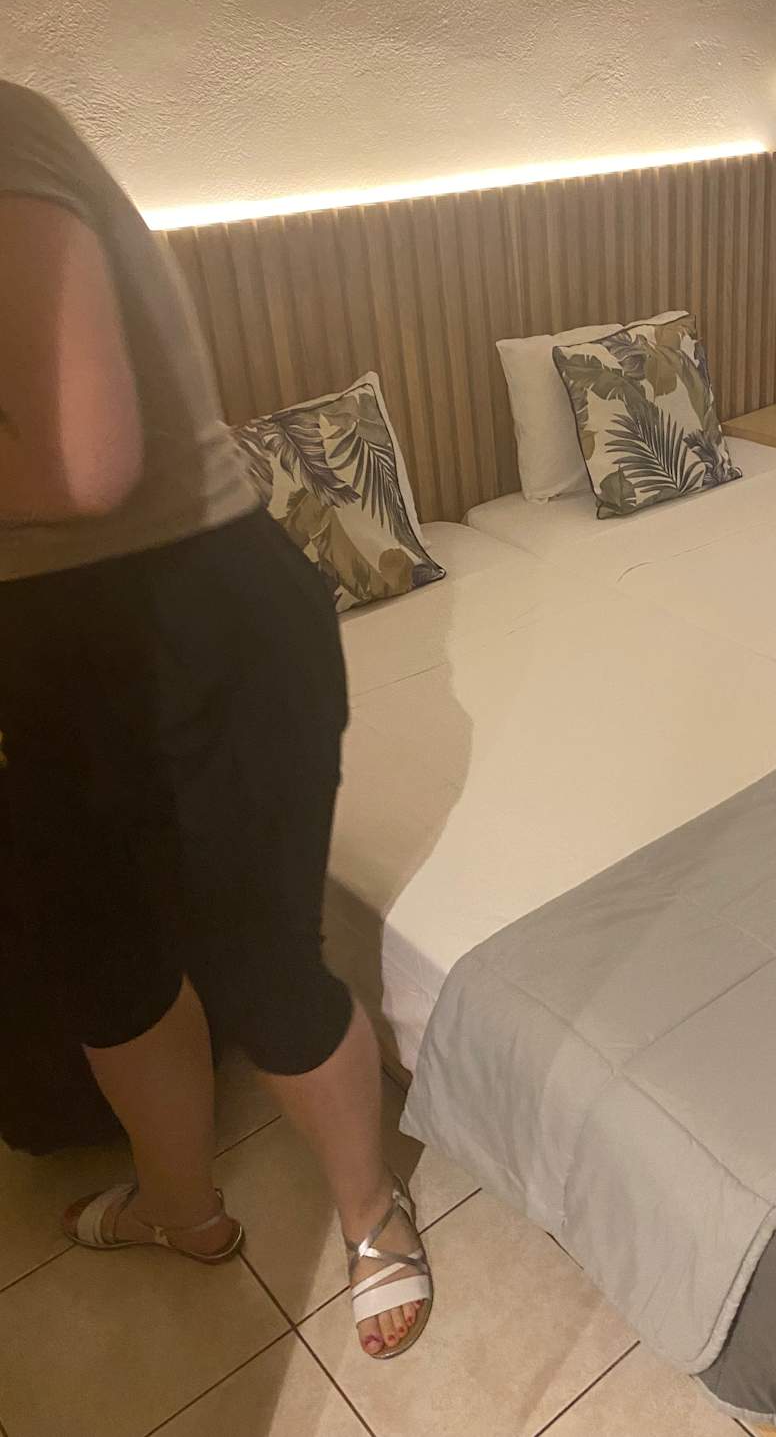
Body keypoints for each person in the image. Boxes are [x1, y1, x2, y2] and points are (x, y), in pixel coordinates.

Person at [0, 82, 431, 1361]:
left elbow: (83, 465)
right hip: (49, 645)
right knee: (109, 973)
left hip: (190, 620)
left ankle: (372, 1211)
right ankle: (179, 1207)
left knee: (260, 963)